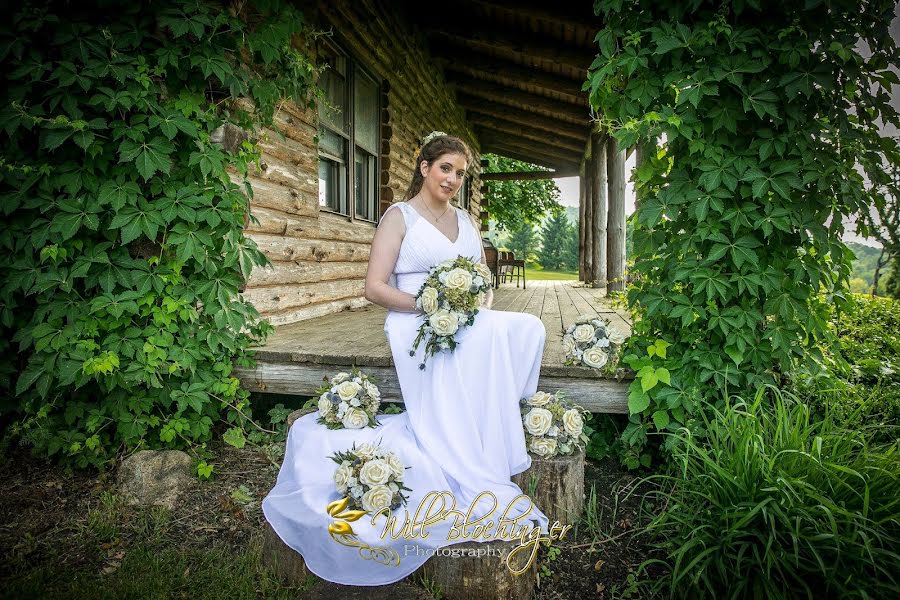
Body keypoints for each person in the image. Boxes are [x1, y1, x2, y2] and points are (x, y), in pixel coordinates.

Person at [262, 132, 550, 586]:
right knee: (477, 339)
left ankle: (489, 421)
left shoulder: (466, 223)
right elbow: (373, 287)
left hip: (463, 318)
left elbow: (483, 281)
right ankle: (462, 434)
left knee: (528, 328)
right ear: (424, 167)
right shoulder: (399, 218)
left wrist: (479, 305)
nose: (453, 179)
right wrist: (429, 306)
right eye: (445, 169)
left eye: (460, 173)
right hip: (412, 316)